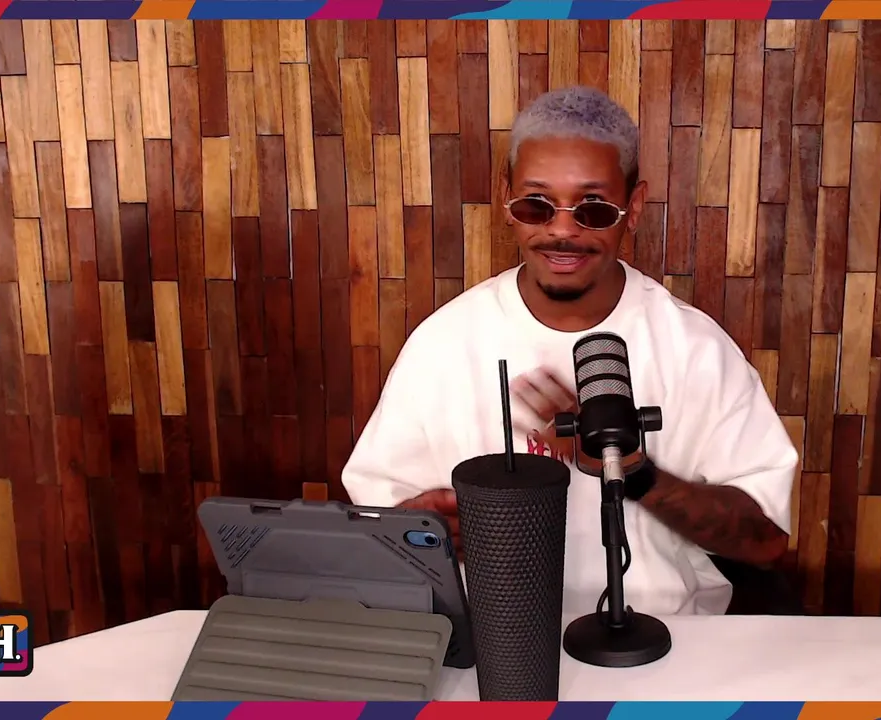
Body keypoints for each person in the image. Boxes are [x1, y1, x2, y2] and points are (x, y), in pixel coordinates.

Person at [342, 86, 798, 616]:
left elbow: (766, 543)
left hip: (668, 641)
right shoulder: (442, 344)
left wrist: (634, 472)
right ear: (507, 200)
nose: (562, 230)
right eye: (536, 205)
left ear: (633, 207)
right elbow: (378, 530)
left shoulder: (696, 349)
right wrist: (419, 530)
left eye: (594, 209)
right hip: (488, 639)